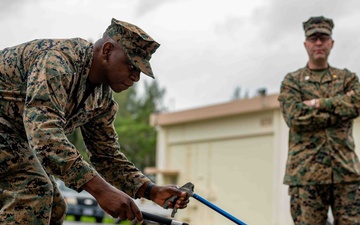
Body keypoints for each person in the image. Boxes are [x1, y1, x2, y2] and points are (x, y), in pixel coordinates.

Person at [0, 18, 189, 225]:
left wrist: (150, 190)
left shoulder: (101, 99)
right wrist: (102, 190)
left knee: (54, 206)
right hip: (8, 132)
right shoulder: (59, 63)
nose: (135, 77)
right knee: (33, 191)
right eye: (131, 66)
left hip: (14, 137)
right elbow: (44, 136)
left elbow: (105, 155)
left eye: (140, 71)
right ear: (107, 50)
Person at [278, 16, 360, 224]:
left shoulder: (347, 78)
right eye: (313, 38)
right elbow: (296, 118)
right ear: (305, 44)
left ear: (331, 42)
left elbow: (357, 104)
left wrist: (316, 104)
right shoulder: (292, 81)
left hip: (346, 174)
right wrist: (339, 107)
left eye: (323, 38)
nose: (318, 43)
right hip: (306, 176)